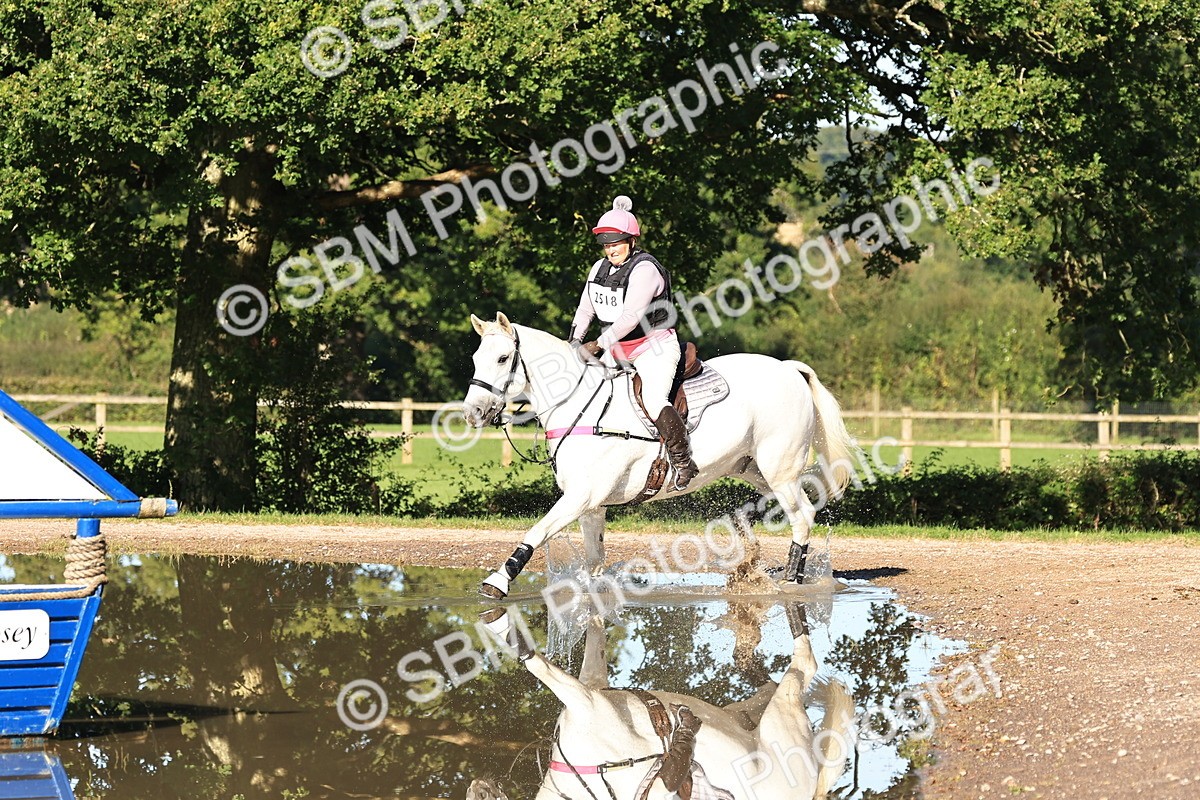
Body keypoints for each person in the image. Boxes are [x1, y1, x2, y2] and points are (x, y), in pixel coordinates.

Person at [567, 196, 699, 490]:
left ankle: (683, 461)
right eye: (606, 244)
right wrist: (574, 340)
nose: (611, 249)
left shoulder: (645, 269)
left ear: (631, 241)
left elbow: (630, 317)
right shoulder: (598, 269)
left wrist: (597, 344)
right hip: (617, 349)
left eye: (616, 243)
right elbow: (585, 310)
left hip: (653, 347)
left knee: (653, 399)